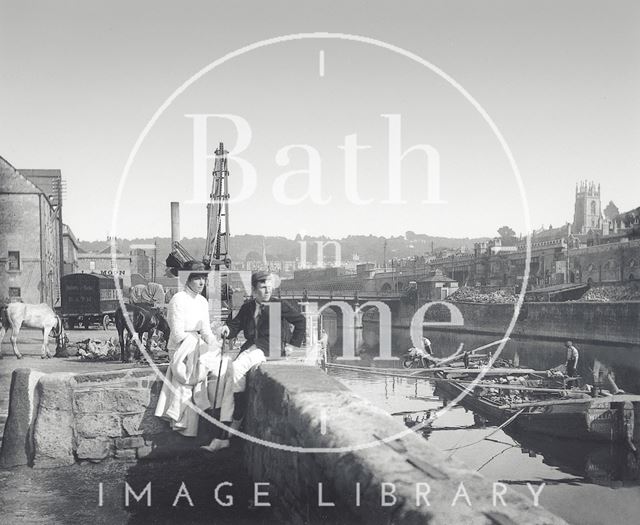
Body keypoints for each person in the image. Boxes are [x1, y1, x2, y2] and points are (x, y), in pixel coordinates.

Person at [202, 270, 306, 451]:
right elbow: (236, 326)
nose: (267, 291)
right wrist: (227, 328)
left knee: (235, 371)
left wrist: (293, 346)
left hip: (269, 350)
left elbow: (300, 321)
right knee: (230, 378)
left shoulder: (278, 305)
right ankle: (227, 433)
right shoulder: (248, 307)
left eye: (269, 287)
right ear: (254, 289)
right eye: (263, 287)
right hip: (251, 348)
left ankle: (233, 423)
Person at [155, 261, 233, 436]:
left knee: (223, 365)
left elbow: (205, 330)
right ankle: (188, 417)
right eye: (197, 278)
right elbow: (176, 334)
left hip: (197, 344)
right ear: (187, 279)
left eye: (203, 278)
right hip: (180, 348)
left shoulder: (203, 302)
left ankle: (217, 414)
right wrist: (197, 347)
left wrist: (215, 343)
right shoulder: (178, 299)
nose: (201, 282)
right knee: (196, 371)